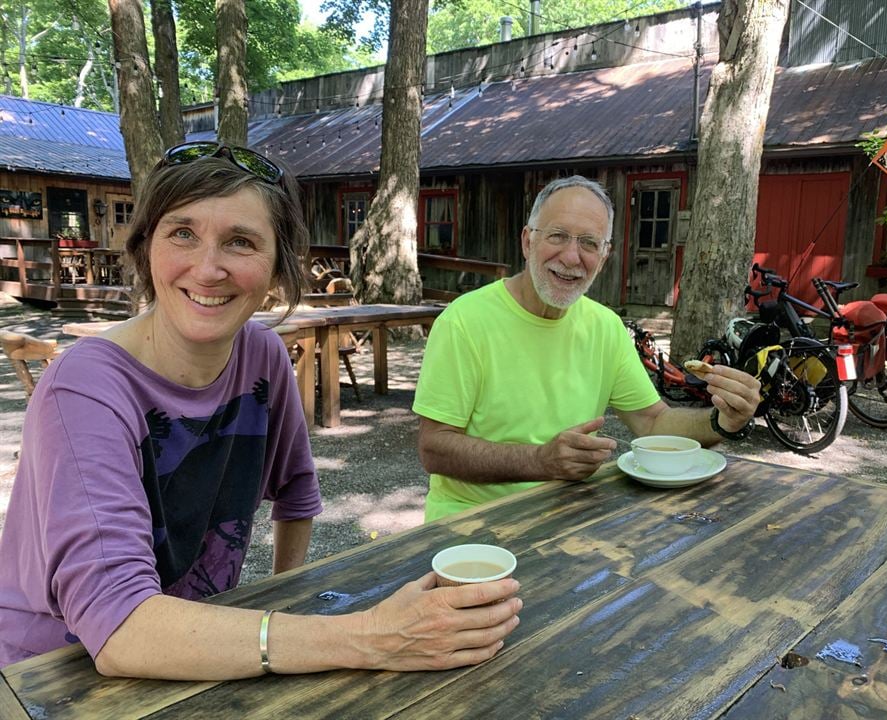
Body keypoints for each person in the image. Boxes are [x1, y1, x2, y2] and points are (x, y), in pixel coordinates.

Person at [0, 142, 521, 677]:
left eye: (240, 242)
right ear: (145, 246)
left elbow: (296, 491)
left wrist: (285, 607)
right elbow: (119, 626)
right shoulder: (86, 388)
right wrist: (367, 638)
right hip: (52, 673)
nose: (208, 269)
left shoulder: (262, 355)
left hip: (196, 646)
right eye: (183, 232)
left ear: (276, 270)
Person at [413, 175, 762, 522]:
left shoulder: (605, 327)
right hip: (470, 527)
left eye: (589, 243)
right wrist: (539, 461)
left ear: (605, 255)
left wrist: (722, 420)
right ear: (527, 242)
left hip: (570, 520)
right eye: (558, 236)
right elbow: (435, 448)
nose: (571, 256)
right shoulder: (465, 321)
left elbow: (654, 423)